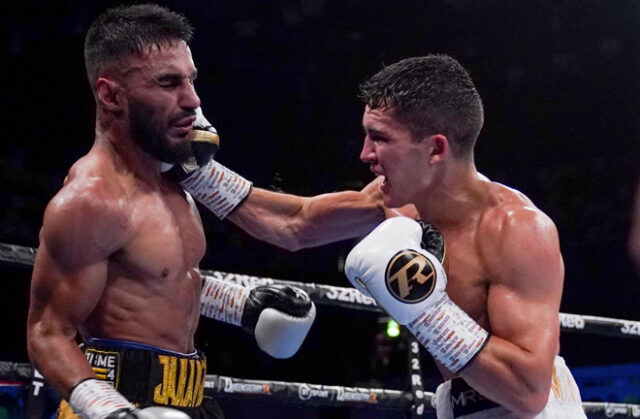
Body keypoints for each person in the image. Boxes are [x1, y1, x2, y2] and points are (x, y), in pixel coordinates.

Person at [26, 4, 393, 419]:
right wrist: (109, 411)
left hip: (190, 400)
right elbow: (47, 332)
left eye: (190, 79)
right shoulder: (91, 201)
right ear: (111, 95)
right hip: (120, 404)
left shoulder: (184, 174)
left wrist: (238, 303)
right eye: (168, 82)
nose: (192, 99)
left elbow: (285, 225)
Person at [342, 55, 587, 418]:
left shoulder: (517, 227)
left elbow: (530, 391)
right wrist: (222, 185)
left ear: (435, 149)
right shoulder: (401, 214)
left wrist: (425, 308)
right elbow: (295, 223)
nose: (365, 154)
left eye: (379, 138)